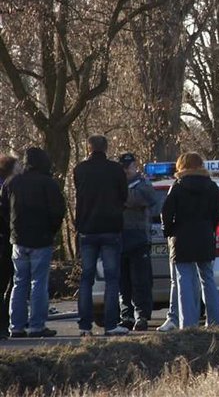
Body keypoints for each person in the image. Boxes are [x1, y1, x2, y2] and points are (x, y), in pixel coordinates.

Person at [1, 148, 65, 338]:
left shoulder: (12, 183)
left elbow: (3, 209)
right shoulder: (48, 184)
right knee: (38, 283)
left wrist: (13, 228)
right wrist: (50, 231)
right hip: (41, 239)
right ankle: (37, 325)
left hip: (18, 240)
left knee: (19, 283)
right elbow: (58, 211)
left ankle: (16, 326)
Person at [75, 135, 129, 336]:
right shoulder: (115, 170)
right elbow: (124, 196)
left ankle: (85, 326)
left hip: (87, 228)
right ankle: (111, 324)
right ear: (106, 148)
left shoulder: (80, 169)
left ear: (88, 148)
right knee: (112, 277)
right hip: (110, 228)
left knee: (86, 278)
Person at [162, 152, 219, 329]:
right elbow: (218, 214)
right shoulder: (211, 187)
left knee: (184, 281)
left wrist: (169, 231)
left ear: (181, 166)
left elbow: (166, 212)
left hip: (182, 239)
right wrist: (209, 227)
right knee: (208, 279)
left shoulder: (178, 186)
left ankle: (187, 324)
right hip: (205, 236)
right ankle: (214, 321)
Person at [117, 153, 157, 332]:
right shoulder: (116, 184)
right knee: (123, 282)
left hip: (139, 238)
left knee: (141, 281)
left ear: (135, 166)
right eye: (123, 166)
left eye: (129, 166)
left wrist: (121, 196)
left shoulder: (144, 183)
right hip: (119, 237)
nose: (126, 170)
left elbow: (138, 199)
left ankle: (141, 316)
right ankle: (126, 316)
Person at [0, 156, 17, 339]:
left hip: (6, 238)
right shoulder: (9, 186)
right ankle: (5, 322)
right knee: (10, 282)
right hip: (7, 240)